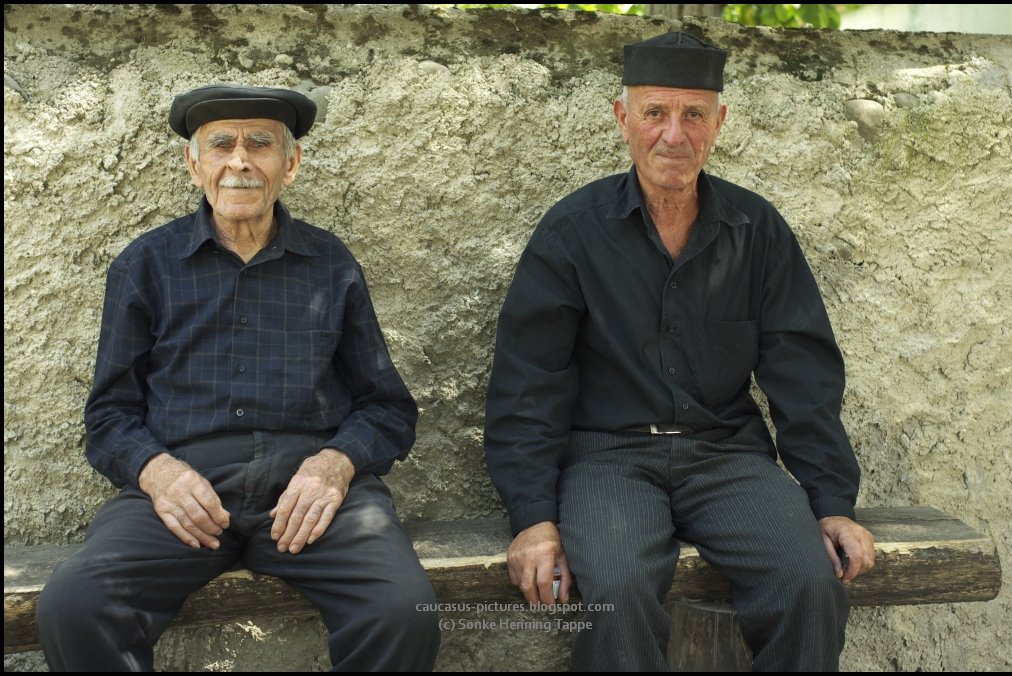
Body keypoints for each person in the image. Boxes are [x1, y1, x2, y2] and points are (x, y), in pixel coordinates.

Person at [485, 32, 876, 671]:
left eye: (693, 114)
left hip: (727, 455)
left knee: (810, 581)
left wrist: (832, 502)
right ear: (623, 119)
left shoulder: (758, 231)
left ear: (719, 122)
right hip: (608, 457)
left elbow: (803, 377)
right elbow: (529, 383)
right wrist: (532, 516)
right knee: (615, 591)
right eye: (655, 113)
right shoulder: (571, 232)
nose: (674, 133)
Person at [36, 84, 440, 671]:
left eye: (261, 144)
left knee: (402, 609)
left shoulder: (331, 265)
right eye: (221, 144)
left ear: (291, 164)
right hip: (185, 489)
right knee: (75, 604)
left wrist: (334, 466)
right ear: (193, 163)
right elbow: (107, 418)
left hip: (308, 493)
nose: (240, 160)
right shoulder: (146, 265)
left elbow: (387, 407)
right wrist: (159, 473)